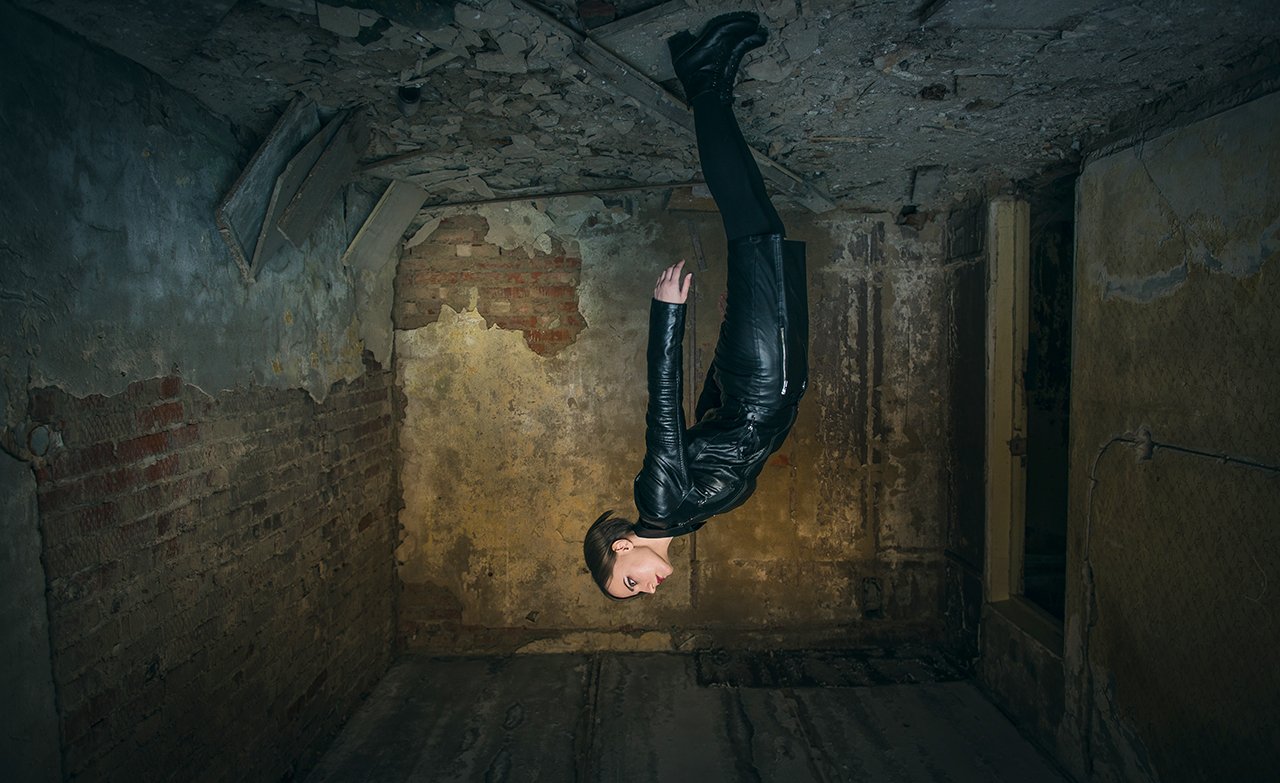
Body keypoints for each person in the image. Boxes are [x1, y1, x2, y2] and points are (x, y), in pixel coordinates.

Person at [583, 12, 809, 600]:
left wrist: (668, 313)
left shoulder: (656, 501)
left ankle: (705, 74)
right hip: (759, 380)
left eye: (629, 583)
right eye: (638, 593)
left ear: (621, 547)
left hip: (762, 382)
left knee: (752, 224)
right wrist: (736, 330)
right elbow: (705, 425)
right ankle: (711, 76)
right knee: (756, 227)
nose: (648, 588)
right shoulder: (683, 519)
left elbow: (662, 411)